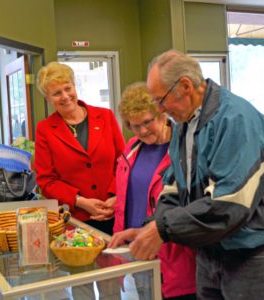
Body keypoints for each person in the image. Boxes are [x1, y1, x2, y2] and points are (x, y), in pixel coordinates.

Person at [123, 50, 264, 300]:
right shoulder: (185, 125)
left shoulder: (236, 118)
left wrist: (163, 228)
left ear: (185, 86)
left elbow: (229, 203)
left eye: (161, 100)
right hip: (209, 254)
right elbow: (174, 187)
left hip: (251, 257)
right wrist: (151, 226)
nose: (160, 109)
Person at [34, 61, 124, 299]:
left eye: (67, 88)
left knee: (111, 284)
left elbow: (123, 162)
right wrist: (81, 201)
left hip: (111, 215)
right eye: (56, 93)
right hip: (77, 220)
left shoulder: (104, 117)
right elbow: (46, 180)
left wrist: (115, 197)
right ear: (48, 98)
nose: (65, 96)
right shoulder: (45, 129)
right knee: (82, 285)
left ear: (75, 86)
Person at [107, 82, 196, 300]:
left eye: (147, 122)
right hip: (137, 250)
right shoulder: (132, 147)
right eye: (135, 126)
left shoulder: (185, 148)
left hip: (173, 253)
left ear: (162, 114)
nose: (142, 130)